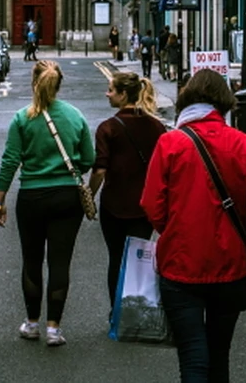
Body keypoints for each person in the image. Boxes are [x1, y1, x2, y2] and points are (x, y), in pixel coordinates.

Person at [142, 69, 246, 382]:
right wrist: (242, 228)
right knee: (219, 355)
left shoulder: (170, 142)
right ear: (224, 102)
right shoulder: (242, 143)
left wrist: (175, 230)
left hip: (180, 266)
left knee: (193, 357)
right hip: (231, 267)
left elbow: (151, 204)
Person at [0, 60, 94, 347]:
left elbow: (10, 161)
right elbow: (88, 159)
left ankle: (32, 324)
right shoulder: (75, 116)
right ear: (59, 84)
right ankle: (54, 329)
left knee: (32, 261)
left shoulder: (22, 118)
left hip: (32, 197)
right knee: (60, 263)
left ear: (33, 82)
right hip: (66, 197)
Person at [89, 71, 168, 312]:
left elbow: (100, 170)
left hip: (114, 205)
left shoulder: (108, 128)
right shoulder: (157, 127)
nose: (107, 94)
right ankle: (137, 311)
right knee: (138, 259)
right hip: (145, 206)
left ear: (123, 95)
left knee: (116, 258)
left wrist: (89, 195)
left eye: (111, 90)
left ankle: (117, 312)